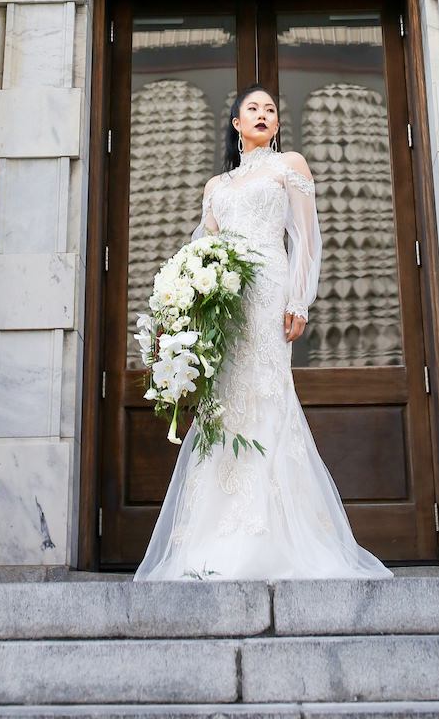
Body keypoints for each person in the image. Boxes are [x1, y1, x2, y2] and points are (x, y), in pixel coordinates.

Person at [134, 84, 392, 581]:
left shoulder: (289, 165)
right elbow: (202, 248)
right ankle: (211, 540)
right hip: (226, 299)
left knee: (267, 392)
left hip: (269, 289)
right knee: (225, 400)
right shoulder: (216, 186)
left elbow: (306, 238)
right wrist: (186, 303)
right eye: (252, 108)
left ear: (276, 125)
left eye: (270, 110)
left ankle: (276, 533)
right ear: (236, 123)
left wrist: (300, 299)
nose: (262, 114)